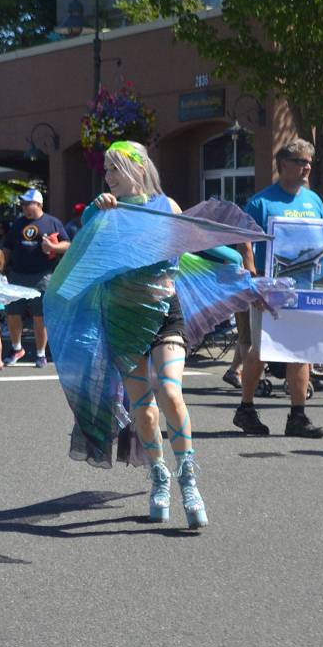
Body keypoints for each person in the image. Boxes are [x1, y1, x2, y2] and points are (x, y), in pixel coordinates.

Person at [79, 140, 208, 527]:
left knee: (169, 390)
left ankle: (188, 477)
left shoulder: (167, 206)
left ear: (136, 169)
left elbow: (189, 249)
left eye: (115, 168)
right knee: (145, 413)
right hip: (123, 318)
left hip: (165, 311)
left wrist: (235, 265)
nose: (108, 175)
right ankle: (158, 476)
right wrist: (93, 212)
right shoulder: (105, 210)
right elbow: (85, 243)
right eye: (105, 169)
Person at [233, 138, 323, 438]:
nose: (306, 167)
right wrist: (253, 282)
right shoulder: (261, 202)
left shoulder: (314, 201)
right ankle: (246, 408)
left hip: (304, 289)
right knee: (262, 350)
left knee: (301, 350)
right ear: (283, 164)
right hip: (270, 289)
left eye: (309, 162)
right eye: (300, 161)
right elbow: (245, 241)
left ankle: (298, 416)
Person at [2, 188, 70, 368]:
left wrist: (53, 248)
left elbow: (68, 244)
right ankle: (17, 348)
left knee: (40, 316)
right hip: (17, 274)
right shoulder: (18, 223)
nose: (23, 207)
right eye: (22, 204)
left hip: (42, 275)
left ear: (38, 204)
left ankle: (40, 354)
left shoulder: (52, 222)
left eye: (27, 203)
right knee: (13, 313)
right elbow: (8, 247)